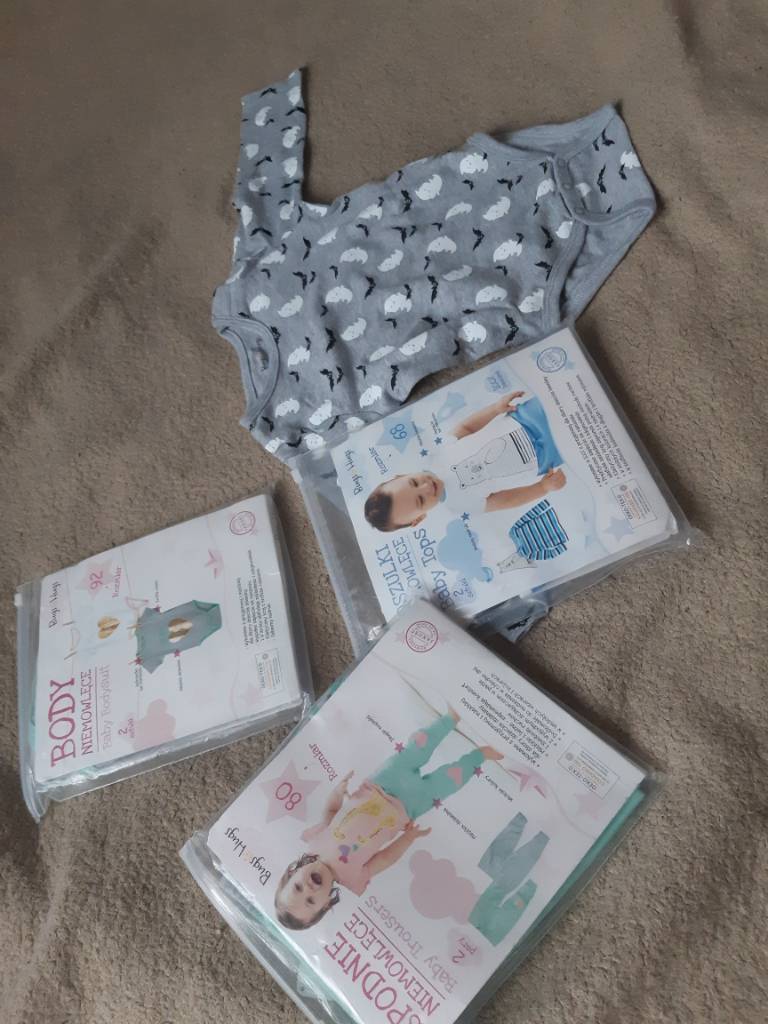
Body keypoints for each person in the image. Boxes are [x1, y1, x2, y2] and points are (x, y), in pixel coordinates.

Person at [274, 708, 503, 930]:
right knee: (448, 782)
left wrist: (338, 790)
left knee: (416, 748)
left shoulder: (314, 841)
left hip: (382, 781)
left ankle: (448, 719)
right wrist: (409, 838)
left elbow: (332, 810)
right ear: (325, 905)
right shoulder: (353, 878)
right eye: (311, 901)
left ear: (293, 872)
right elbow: (386, 858)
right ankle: (479, 756)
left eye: (297, 887)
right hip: (407, 808)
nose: (308, 889)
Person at [363, 392, 566, 535]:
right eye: (420, 500)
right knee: (574, 435)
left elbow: (467, 427)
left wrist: (495, 409)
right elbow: (506, 500)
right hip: (541, 457)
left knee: (559, 395)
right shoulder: (459, 505)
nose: (426, 487)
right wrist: (542, 488)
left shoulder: (436, 454)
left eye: (414, 482)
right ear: (419, 518)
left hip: (524, 419)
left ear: (401, 476)